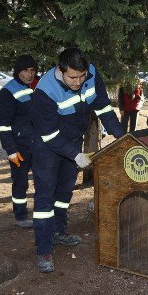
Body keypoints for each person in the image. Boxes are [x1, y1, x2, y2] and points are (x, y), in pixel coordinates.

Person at [31, 47, 124, 273]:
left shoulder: (91, 74)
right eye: (72, 77)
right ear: (60, 70)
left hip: (72, 140)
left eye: (81, 76)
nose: (78, 81)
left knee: (64, 193)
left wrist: (122, 137)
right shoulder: (45, 90)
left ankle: (59, 232)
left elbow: (102, 106)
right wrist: (76, 155)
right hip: (47, 146)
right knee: (45, 197)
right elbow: (49, 135)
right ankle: (44, 250)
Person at [0, 54, 38, 229]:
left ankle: (42, 212)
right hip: (19, 147)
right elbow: (3, 125)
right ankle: (20, 215)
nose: (29, 74)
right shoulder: (9, 91)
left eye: (32, 70)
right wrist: (11, 150)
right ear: (18, 72)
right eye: (25, 71)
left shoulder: (38, 87)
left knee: (43, 180)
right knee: (20, 182)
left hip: (38, 144)